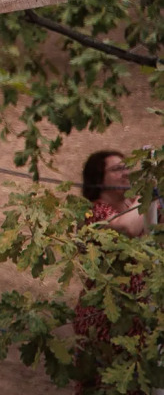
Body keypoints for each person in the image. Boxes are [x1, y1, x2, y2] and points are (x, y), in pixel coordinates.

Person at [72, 150, 153, 395]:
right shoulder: (93, 213)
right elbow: (127, 228)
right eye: (117, 169)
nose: (126, 172)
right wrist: (148, 193)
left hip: (138, 316)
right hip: (106, 319)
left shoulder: (134, 205)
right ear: (98, 178)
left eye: (127, 166)